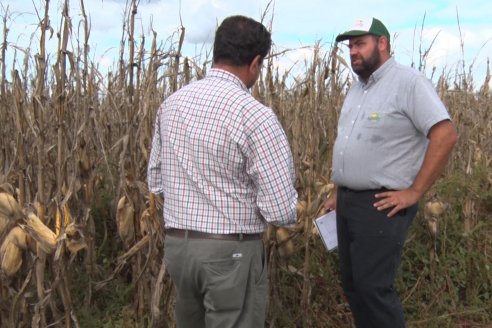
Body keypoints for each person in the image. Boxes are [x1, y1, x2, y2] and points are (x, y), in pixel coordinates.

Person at [147, 15, 297, 328]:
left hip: (178, 249)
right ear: (255, 63)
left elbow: (156, 181)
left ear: (216, 53)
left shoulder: (171, 105)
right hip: (230, 254)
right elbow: (281, 211)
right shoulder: (256, 117)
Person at [324, 17, 458, 328]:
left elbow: (445, 134)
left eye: (360, 44)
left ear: (382, 43)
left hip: (381, 203)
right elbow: (348, 144)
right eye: (350, 46)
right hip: (347, 202)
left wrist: (414, 192)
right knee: (354, 286)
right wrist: (337, 190)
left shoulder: (408, 83)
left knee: (374, 289)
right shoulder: (357, 90)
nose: (353, 51)